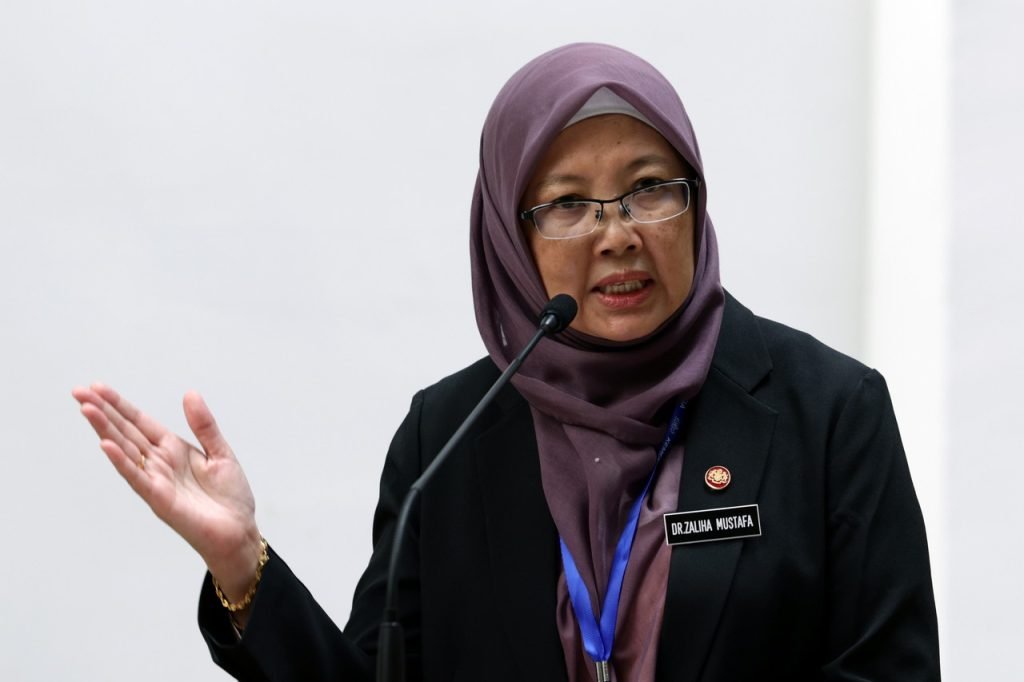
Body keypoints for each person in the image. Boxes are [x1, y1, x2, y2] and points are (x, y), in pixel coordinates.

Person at [73, 43, 940, 681]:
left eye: (649, 188)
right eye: (567, 203)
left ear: (695, 203)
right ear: (509, 237)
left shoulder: (829, 414)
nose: (616, 234)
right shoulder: (448, 439)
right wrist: (242, 565)